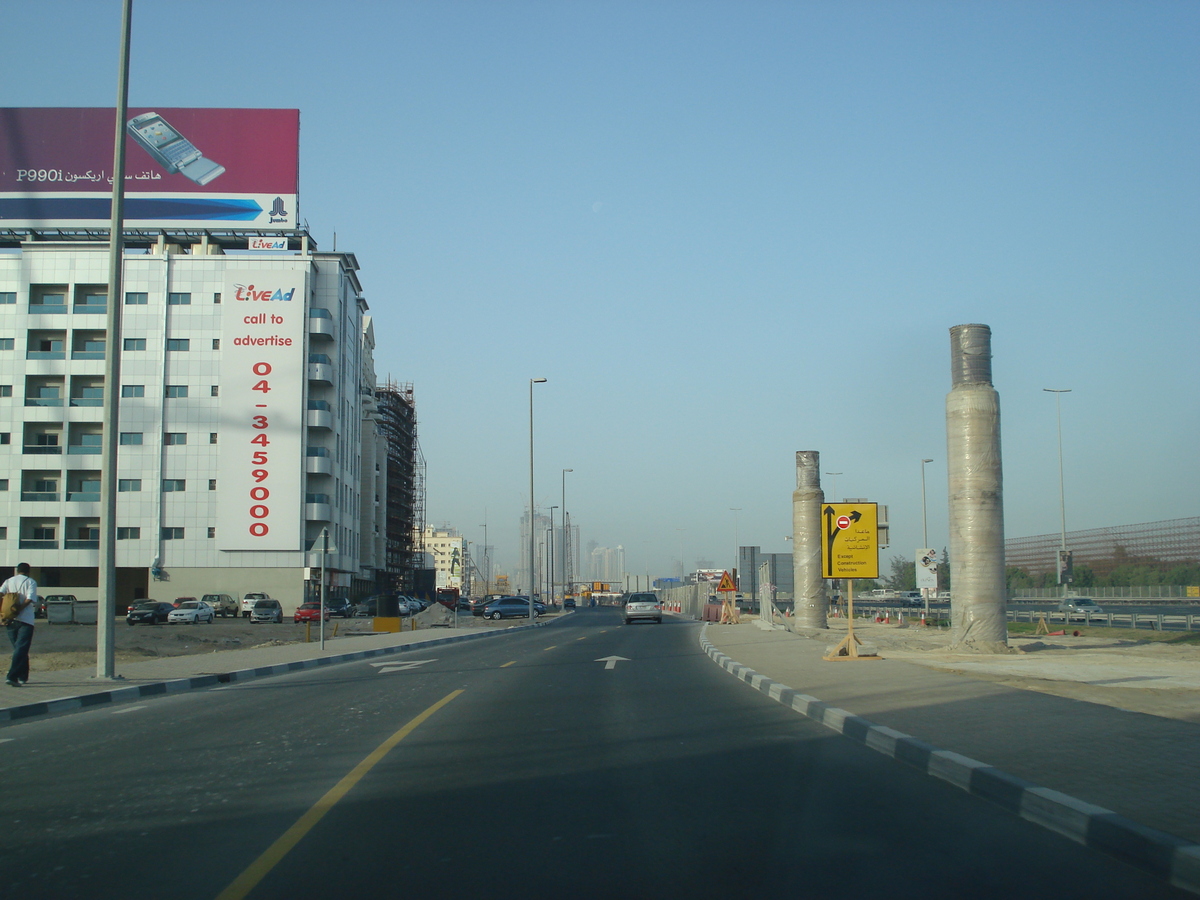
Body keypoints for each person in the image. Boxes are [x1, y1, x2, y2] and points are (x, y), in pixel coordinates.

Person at [2, 562, 37, 687]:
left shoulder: (8, 581)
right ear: (28, 571)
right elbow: (29, 598)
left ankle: (23, 676)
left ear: (17, 570)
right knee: (21, 649)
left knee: (20, 649)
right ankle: (12, 676)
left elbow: (1, 593)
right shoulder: (31, 582)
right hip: (26, 620)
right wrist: (19, 609)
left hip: (10, 620)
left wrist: (5, 611)